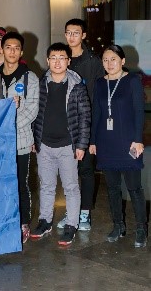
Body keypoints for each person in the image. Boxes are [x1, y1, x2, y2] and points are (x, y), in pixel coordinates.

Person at [29, 43, 92, 246]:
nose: (57, 62)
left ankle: (71, 225)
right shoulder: (40, 84)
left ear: (68, 61)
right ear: (47, 61)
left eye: (62, 58)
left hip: (68, 146)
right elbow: (34, 114)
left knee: (71, 187)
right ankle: (45, 221)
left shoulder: (77, 85)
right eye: (53, 58)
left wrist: (81, 145)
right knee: (46, 186)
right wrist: (34, 139)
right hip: (44, 145)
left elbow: (85, 117)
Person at [89, 45, 146, 247]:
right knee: (112, 188)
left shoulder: (132, 80)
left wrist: (138, 140)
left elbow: (139, 111)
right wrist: (93, 141)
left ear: (122, 61)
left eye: (113, 59)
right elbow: (97, 113)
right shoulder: (99, 83)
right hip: (106, 142)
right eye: (105, 60)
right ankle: (118, 225)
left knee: (134, 188)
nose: (109, 63)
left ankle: (141, 228)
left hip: (129, 142)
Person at [0, 32, 40, 241]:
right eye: (8, 47)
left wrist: (7, 125)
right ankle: (5, 220)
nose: (12, 51)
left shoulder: (29, 77)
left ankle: (23, 222)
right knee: (1, 182)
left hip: (20, 141)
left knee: (20, 183)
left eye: (16, 48)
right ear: (2, 49)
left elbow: (31, 110)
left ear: (22, 52)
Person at [64, 18, 101, 231]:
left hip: (86, 124)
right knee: (68, 172)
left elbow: (98, 97)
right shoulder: (62, 59)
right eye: (68, 32)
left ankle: (85, 213)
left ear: (83, 35)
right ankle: (71, 212)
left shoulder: (93, 62)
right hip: (65, 126)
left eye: (76, 33)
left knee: (86, 169)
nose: (71, 37)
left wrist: (94, 134)